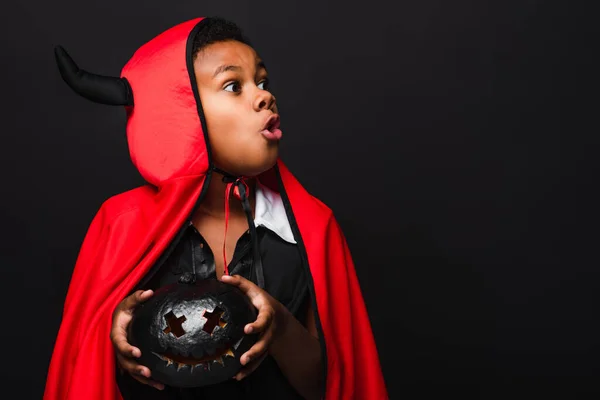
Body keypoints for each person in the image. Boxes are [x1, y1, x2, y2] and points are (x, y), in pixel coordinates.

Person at [43, 16, 387, 400]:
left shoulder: (310, 226)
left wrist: (279, 326)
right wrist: (115, 341)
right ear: (181, 111)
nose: (263, 96)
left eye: (262, 82)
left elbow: (333, 385)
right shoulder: (121, 222)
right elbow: (84, 374)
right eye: (232, 86)